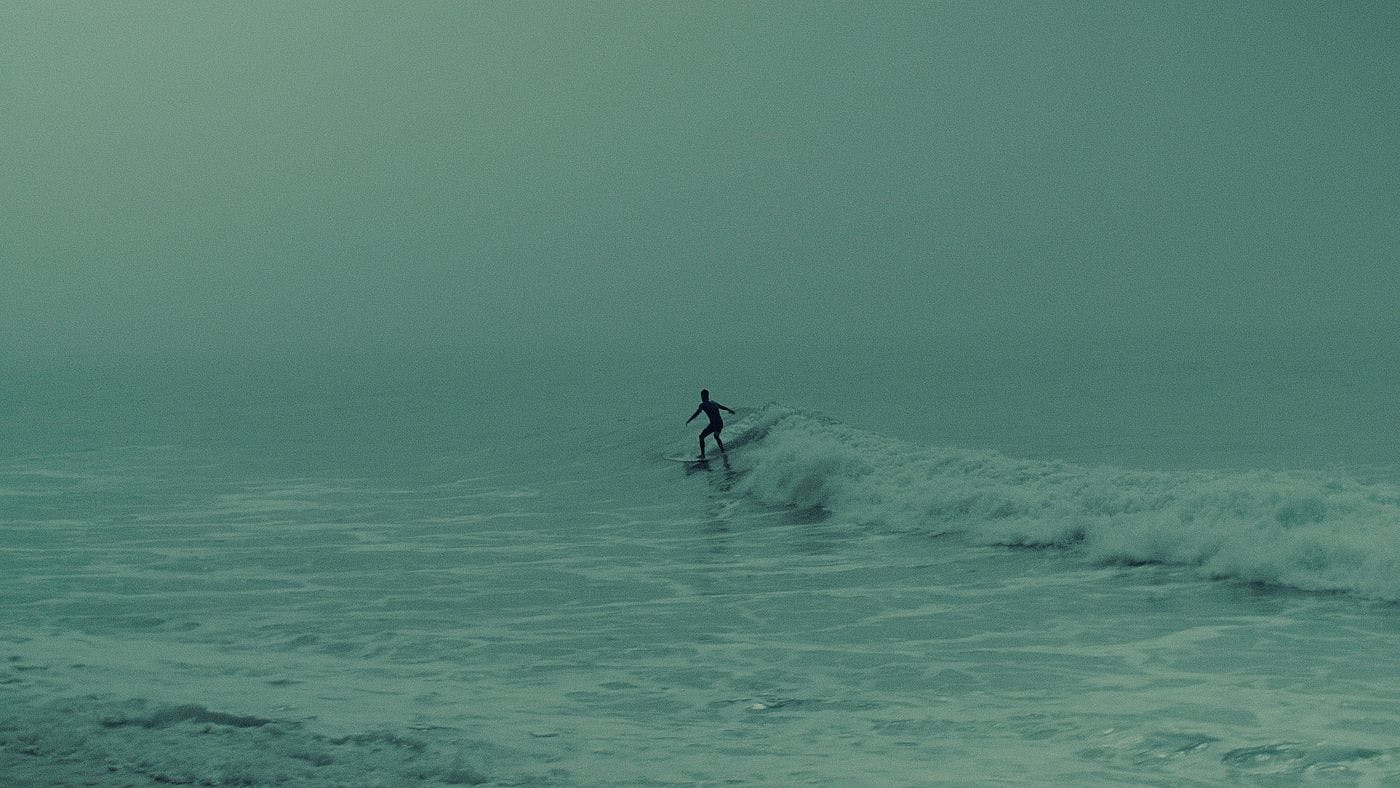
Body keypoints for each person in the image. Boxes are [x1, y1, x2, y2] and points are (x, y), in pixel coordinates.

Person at [686, 389, 735, 459]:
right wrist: (729, 410)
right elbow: (722, 407)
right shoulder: (713, 402)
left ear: (703, 396)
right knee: (716, 436)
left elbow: (697, 413)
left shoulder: (703, 405)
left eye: (701, 396)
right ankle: (722, 450)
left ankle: (703, 455)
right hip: (720, 423)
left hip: (714, 424)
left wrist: (689, 420)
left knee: (701, 437)